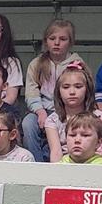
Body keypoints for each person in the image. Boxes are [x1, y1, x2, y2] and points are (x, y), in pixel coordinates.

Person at [22, 19, 84, 162]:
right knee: (28, 123)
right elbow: (31, 91)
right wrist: (40, 111)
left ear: (70, 42)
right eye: (52, 39)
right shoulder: (37, 64)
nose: (57, 43)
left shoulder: (77, 63)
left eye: (63, 39)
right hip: (42, 110)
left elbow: (84, 89)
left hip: (68, 109)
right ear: (45, 41)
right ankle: (37, 164)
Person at [45, 61, 97, 162]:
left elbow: (100, 149)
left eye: (78, 87)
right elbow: (56, 152)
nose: (72, 92)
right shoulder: (53, 120)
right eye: (66, 87)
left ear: (87, 89)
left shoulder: (98, 117)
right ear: (58, 91)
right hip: (65, 166)